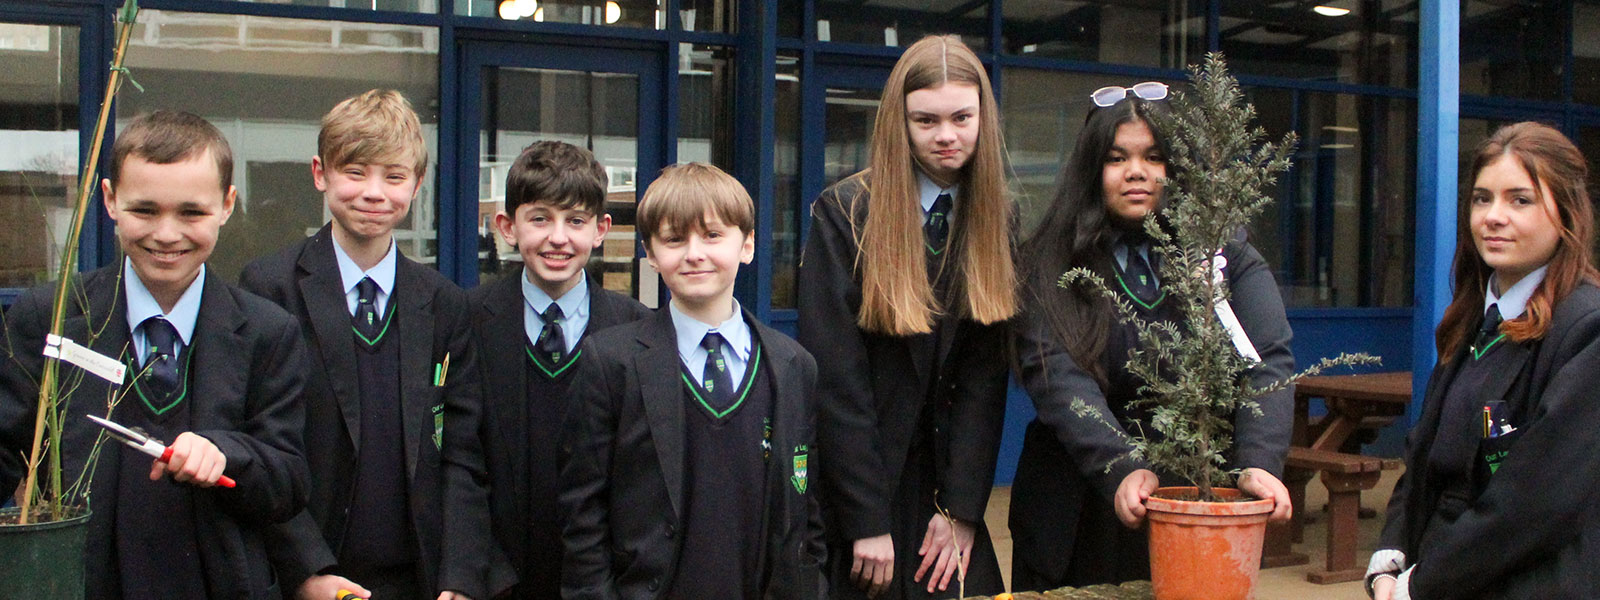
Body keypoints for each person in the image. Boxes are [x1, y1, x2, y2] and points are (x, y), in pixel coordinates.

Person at [0, 110, 309, 599]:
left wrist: (227, 452)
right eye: (145, 210)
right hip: (80, 583)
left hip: (219, 584)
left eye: (191, 212)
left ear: (227, 205)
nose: (167, 234)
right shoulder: (52, 316)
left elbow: (289, 481)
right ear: (109, 201)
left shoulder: (268, 332)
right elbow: (7, 447)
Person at [1009, 86, 1295, 590]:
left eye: (1153, 156)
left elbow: (1266, 359)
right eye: (1117, 158)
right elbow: (1056, 376)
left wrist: (1258, 460)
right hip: (1076, 506)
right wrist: (1122, 465)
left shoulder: (1225, 253)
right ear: (1090, 169)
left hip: (1193, 494)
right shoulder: (1047, 260)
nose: (1136, 171)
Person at [239, 89, 491, 600]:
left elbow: (462, 453)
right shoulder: (269, 287)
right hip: (310, 577)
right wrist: (306, 570)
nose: (374, 193)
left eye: (394, 177)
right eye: (355, 172)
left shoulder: (445, 302)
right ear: (320, 173)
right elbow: (259, 446)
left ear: (417, 185)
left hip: (418, 580)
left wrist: (460, 578)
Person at [797, 34, 1014, 600]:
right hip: (862, 485)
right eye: (926, 120)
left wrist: (963, 509)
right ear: (900, 122)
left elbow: (984, 381)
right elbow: (837, 385)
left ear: (982, 117)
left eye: (962, 117)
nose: (946, 136)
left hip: (946, 486)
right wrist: (867, 520)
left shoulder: (998, 216)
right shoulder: (844, 214)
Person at [560, 162, 827, 599]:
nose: (694, 253)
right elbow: (583, 514)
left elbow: (805, 511)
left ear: (749, 245)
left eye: (713, 235)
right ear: (650, 253)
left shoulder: (793, 366)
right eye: (674, 238)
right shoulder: (612, 362)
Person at [1367, 122, 1600, 599]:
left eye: (1521, 200)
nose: (1493, 217)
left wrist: (1421, 585)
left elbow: (1536, 503)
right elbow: (1422, 455)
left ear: (1568, 214)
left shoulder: (1586, 330)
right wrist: (1389, 556)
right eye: (1481, 198)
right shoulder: (1475, 320)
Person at [465, 140, 650, 598]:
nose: (559, 238)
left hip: (603, 582)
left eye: (576, 221)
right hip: (497, 579)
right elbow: (459, 462)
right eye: (541, 218)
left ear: (602, 229)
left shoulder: (639, 331)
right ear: (507, 227)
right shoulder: (467, 320)